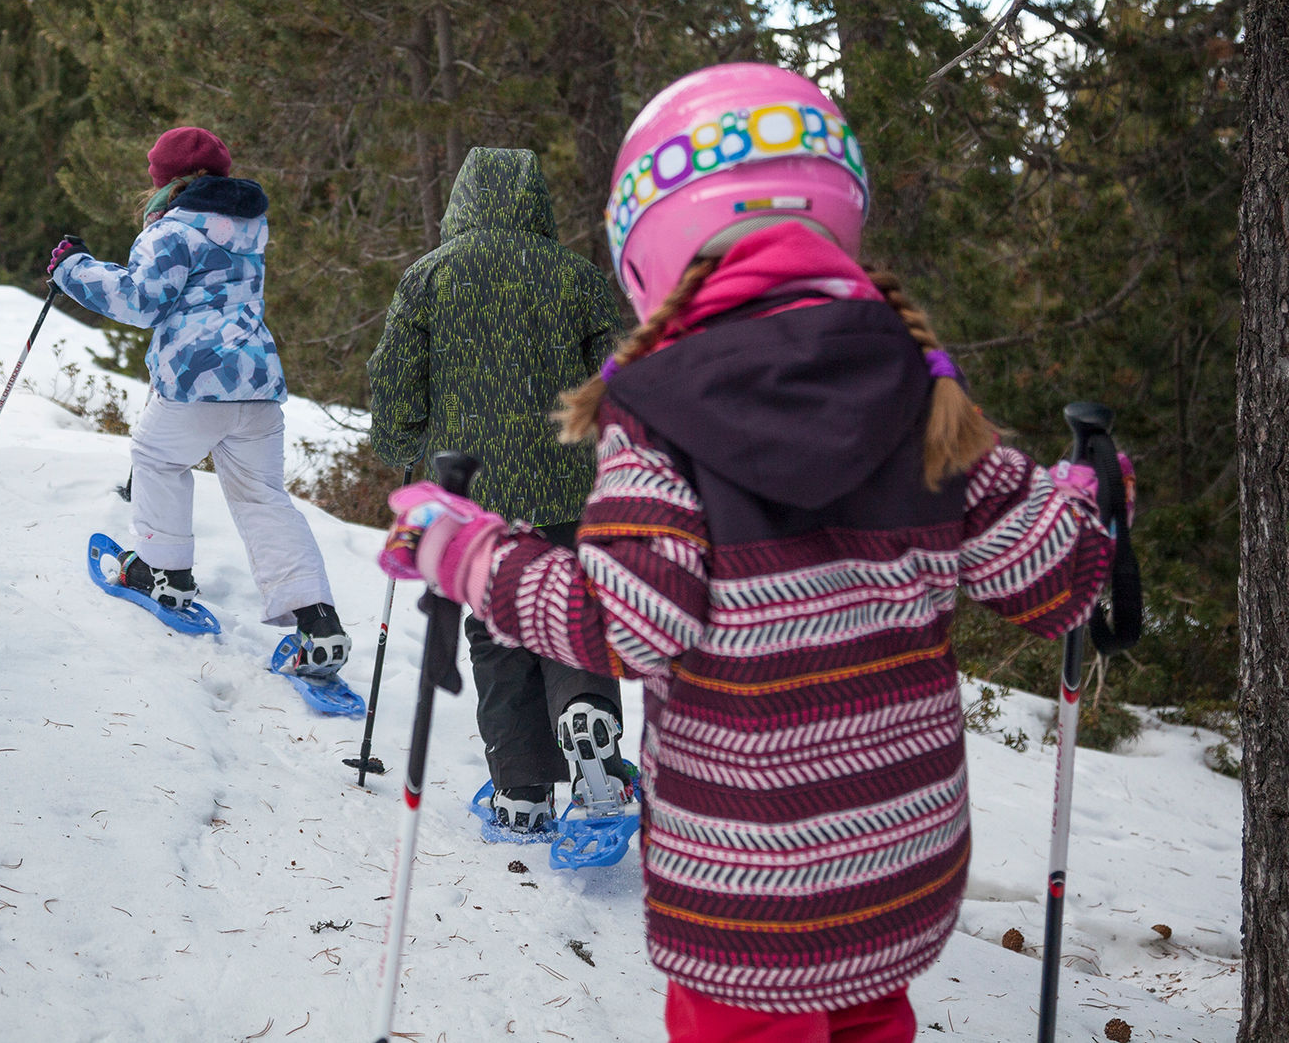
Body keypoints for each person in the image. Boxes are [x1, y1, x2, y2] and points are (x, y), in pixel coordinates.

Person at [378, 63, 1119, 1042]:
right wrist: (1088, 495)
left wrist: (461, 548)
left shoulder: (656, 416)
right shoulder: (920, 393)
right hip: (894, 869)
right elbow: (1054, 576)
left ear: (646, 243)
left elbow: (621, 626)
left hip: (743, 888)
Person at [367, 147, 632, 834]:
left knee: (498, 631)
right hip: (567, 482)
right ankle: (588, 716)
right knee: (573, 612)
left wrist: (405, 448)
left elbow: (395, 379)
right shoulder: (578, 278)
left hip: (475, 492)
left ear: (462, 199)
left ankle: (521, 791)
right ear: (533, 201)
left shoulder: (427, 277)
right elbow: (619, 376)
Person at [49, 126, 349, 672]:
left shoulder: (171, 231)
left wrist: (74, 268)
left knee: (157, 458)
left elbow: (141, 301)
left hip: (195, 380)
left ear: (164, 179)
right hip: (255, 384)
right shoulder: (249, 226)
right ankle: (318, 623)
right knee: (262, 496)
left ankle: (164, 574)